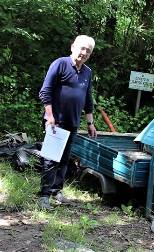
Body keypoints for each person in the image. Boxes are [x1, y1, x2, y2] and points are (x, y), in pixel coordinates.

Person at [38, 35, 97, 210]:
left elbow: (88, 98)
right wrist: (50, 116)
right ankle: (44, 196)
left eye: (88, 50)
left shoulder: (87, 72)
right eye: (82, 48)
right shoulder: (60, 64)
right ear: (73, 47)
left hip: (73, 122)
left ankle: (57, 191)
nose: (84, 52)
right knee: (51, 159)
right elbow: (45, 92)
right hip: (56, 121)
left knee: (64, 159)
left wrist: (90, 123)